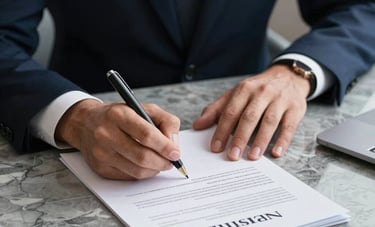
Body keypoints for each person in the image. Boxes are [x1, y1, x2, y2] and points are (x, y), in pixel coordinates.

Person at [1, 0, 374, 180]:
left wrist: (298, 71)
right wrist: (73, 117)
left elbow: (360, 6)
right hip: (88, 131)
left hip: (247, 133)